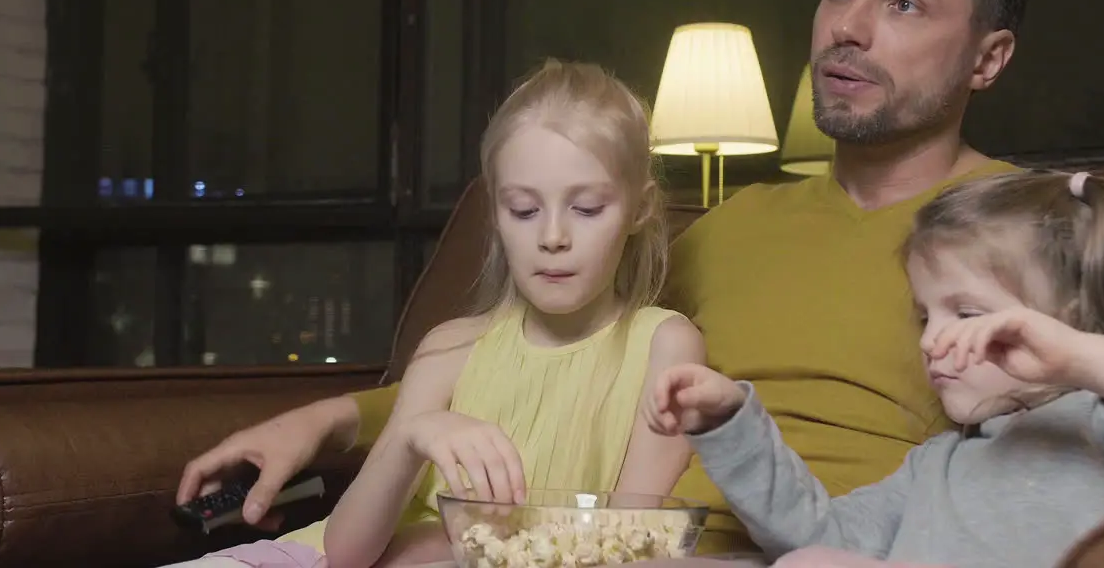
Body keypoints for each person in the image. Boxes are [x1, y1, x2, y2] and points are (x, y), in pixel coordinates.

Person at [175, 0, 1104, 557]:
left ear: (988, 57)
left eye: (903, 5)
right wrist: (325, 419)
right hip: (629, 537)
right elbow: (536, 352)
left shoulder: (1041, 232)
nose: (847, 27)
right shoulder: (723, 230)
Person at [165, 60, 705, 568]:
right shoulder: (451, 348)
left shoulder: (666, 346)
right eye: (523, 210)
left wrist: (433, 541)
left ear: (640, 209)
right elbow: (346, 551)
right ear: (495, 215)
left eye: (587, 208)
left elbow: (627, 546)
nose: (553, 237)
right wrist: (412, 435)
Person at [646, 169, 1104, 568]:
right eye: (924, 317)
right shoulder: (938, 464)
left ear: (1070, 318)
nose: (934, 341)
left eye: (965, 313)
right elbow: (818, 534)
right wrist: (730, 423)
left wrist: (1085, 357)